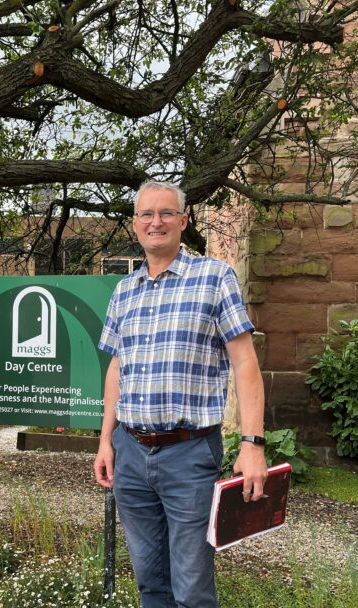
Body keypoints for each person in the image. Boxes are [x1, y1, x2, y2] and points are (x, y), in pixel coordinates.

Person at [93, 181, 267, 608]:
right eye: (146, 214)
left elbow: (245, 362)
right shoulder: (124, 290)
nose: (157, 222)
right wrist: (105, 442)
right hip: (130, 454)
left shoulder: (214, 278)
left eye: (167, 213)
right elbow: (117, 366)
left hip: (189, 455)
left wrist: (252, 443)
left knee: (191, 588)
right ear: (135, 225)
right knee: (151, 582)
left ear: (183, 221)